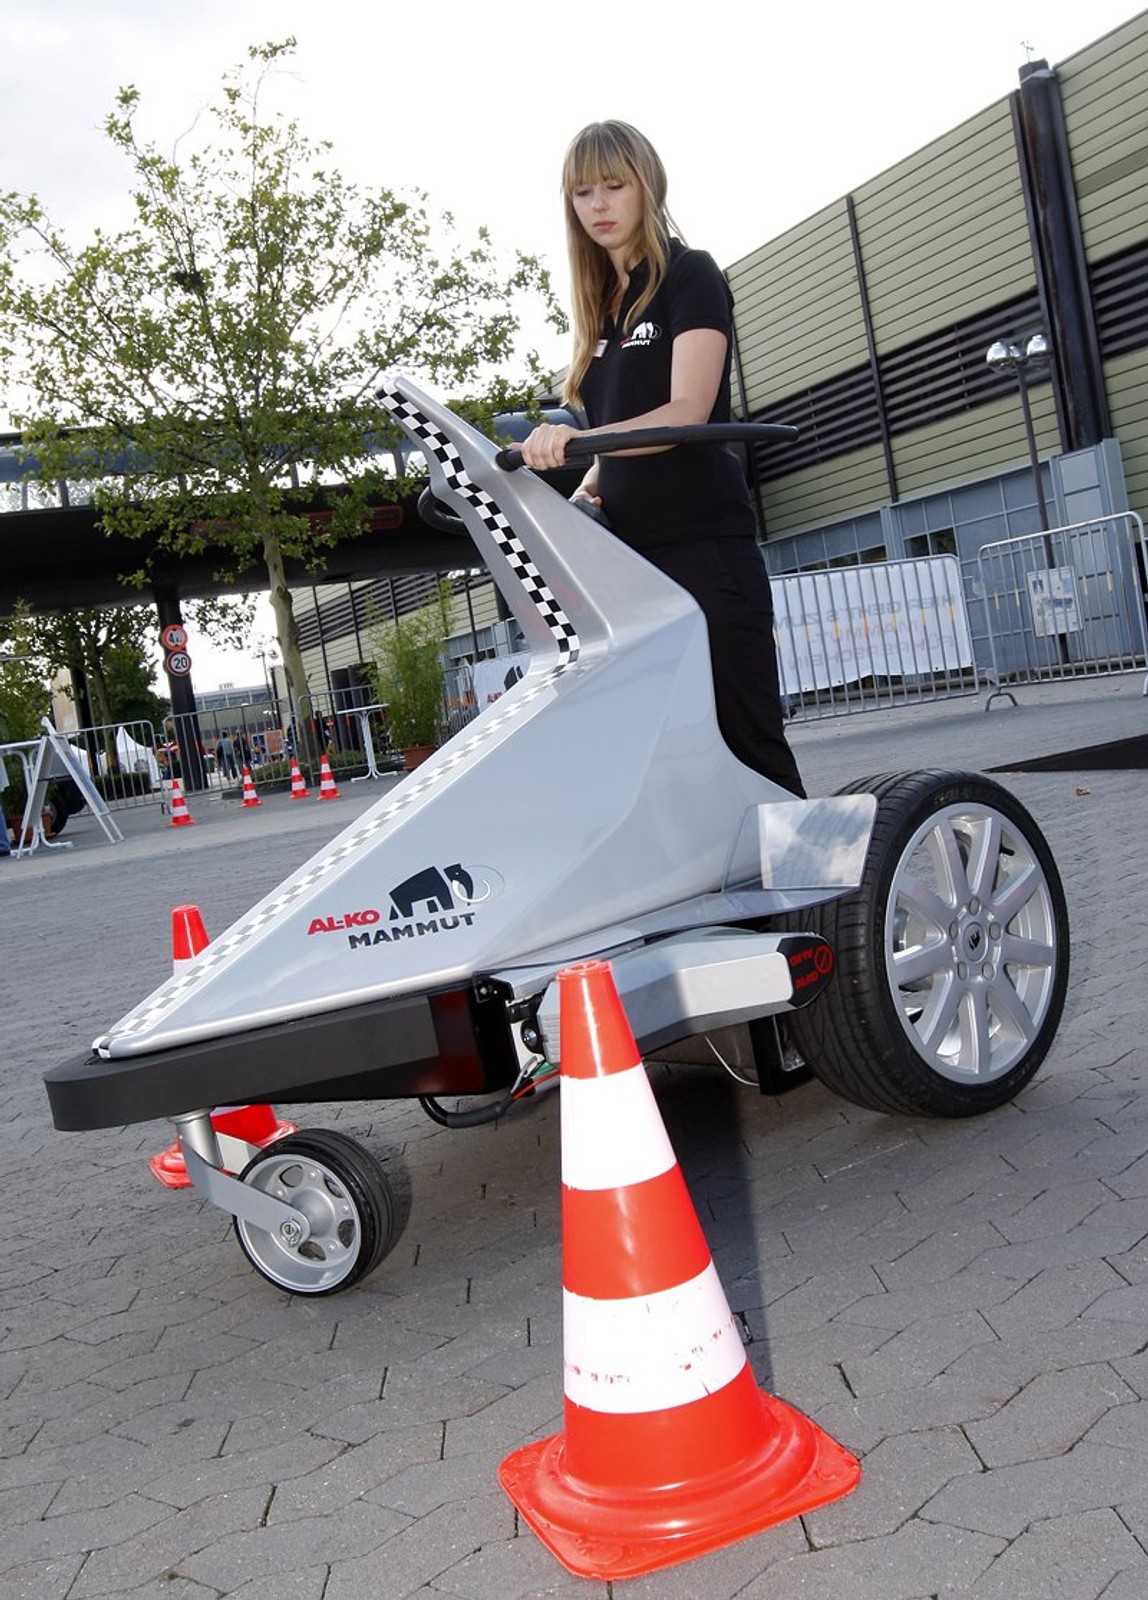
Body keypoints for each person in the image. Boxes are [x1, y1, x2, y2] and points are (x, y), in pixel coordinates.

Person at [517, 120, 804, 797]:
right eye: (583, 192)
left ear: (648, 186)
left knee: (748, 741)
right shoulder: (600, 313)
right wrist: (584, 488)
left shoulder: (689, 274)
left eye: (614, 186)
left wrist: (580, 442)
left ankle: (811, 904)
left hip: (705, 546)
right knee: (675, 758)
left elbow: (686, 412)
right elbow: (613, 437)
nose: (599, 205)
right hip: (633, 564)